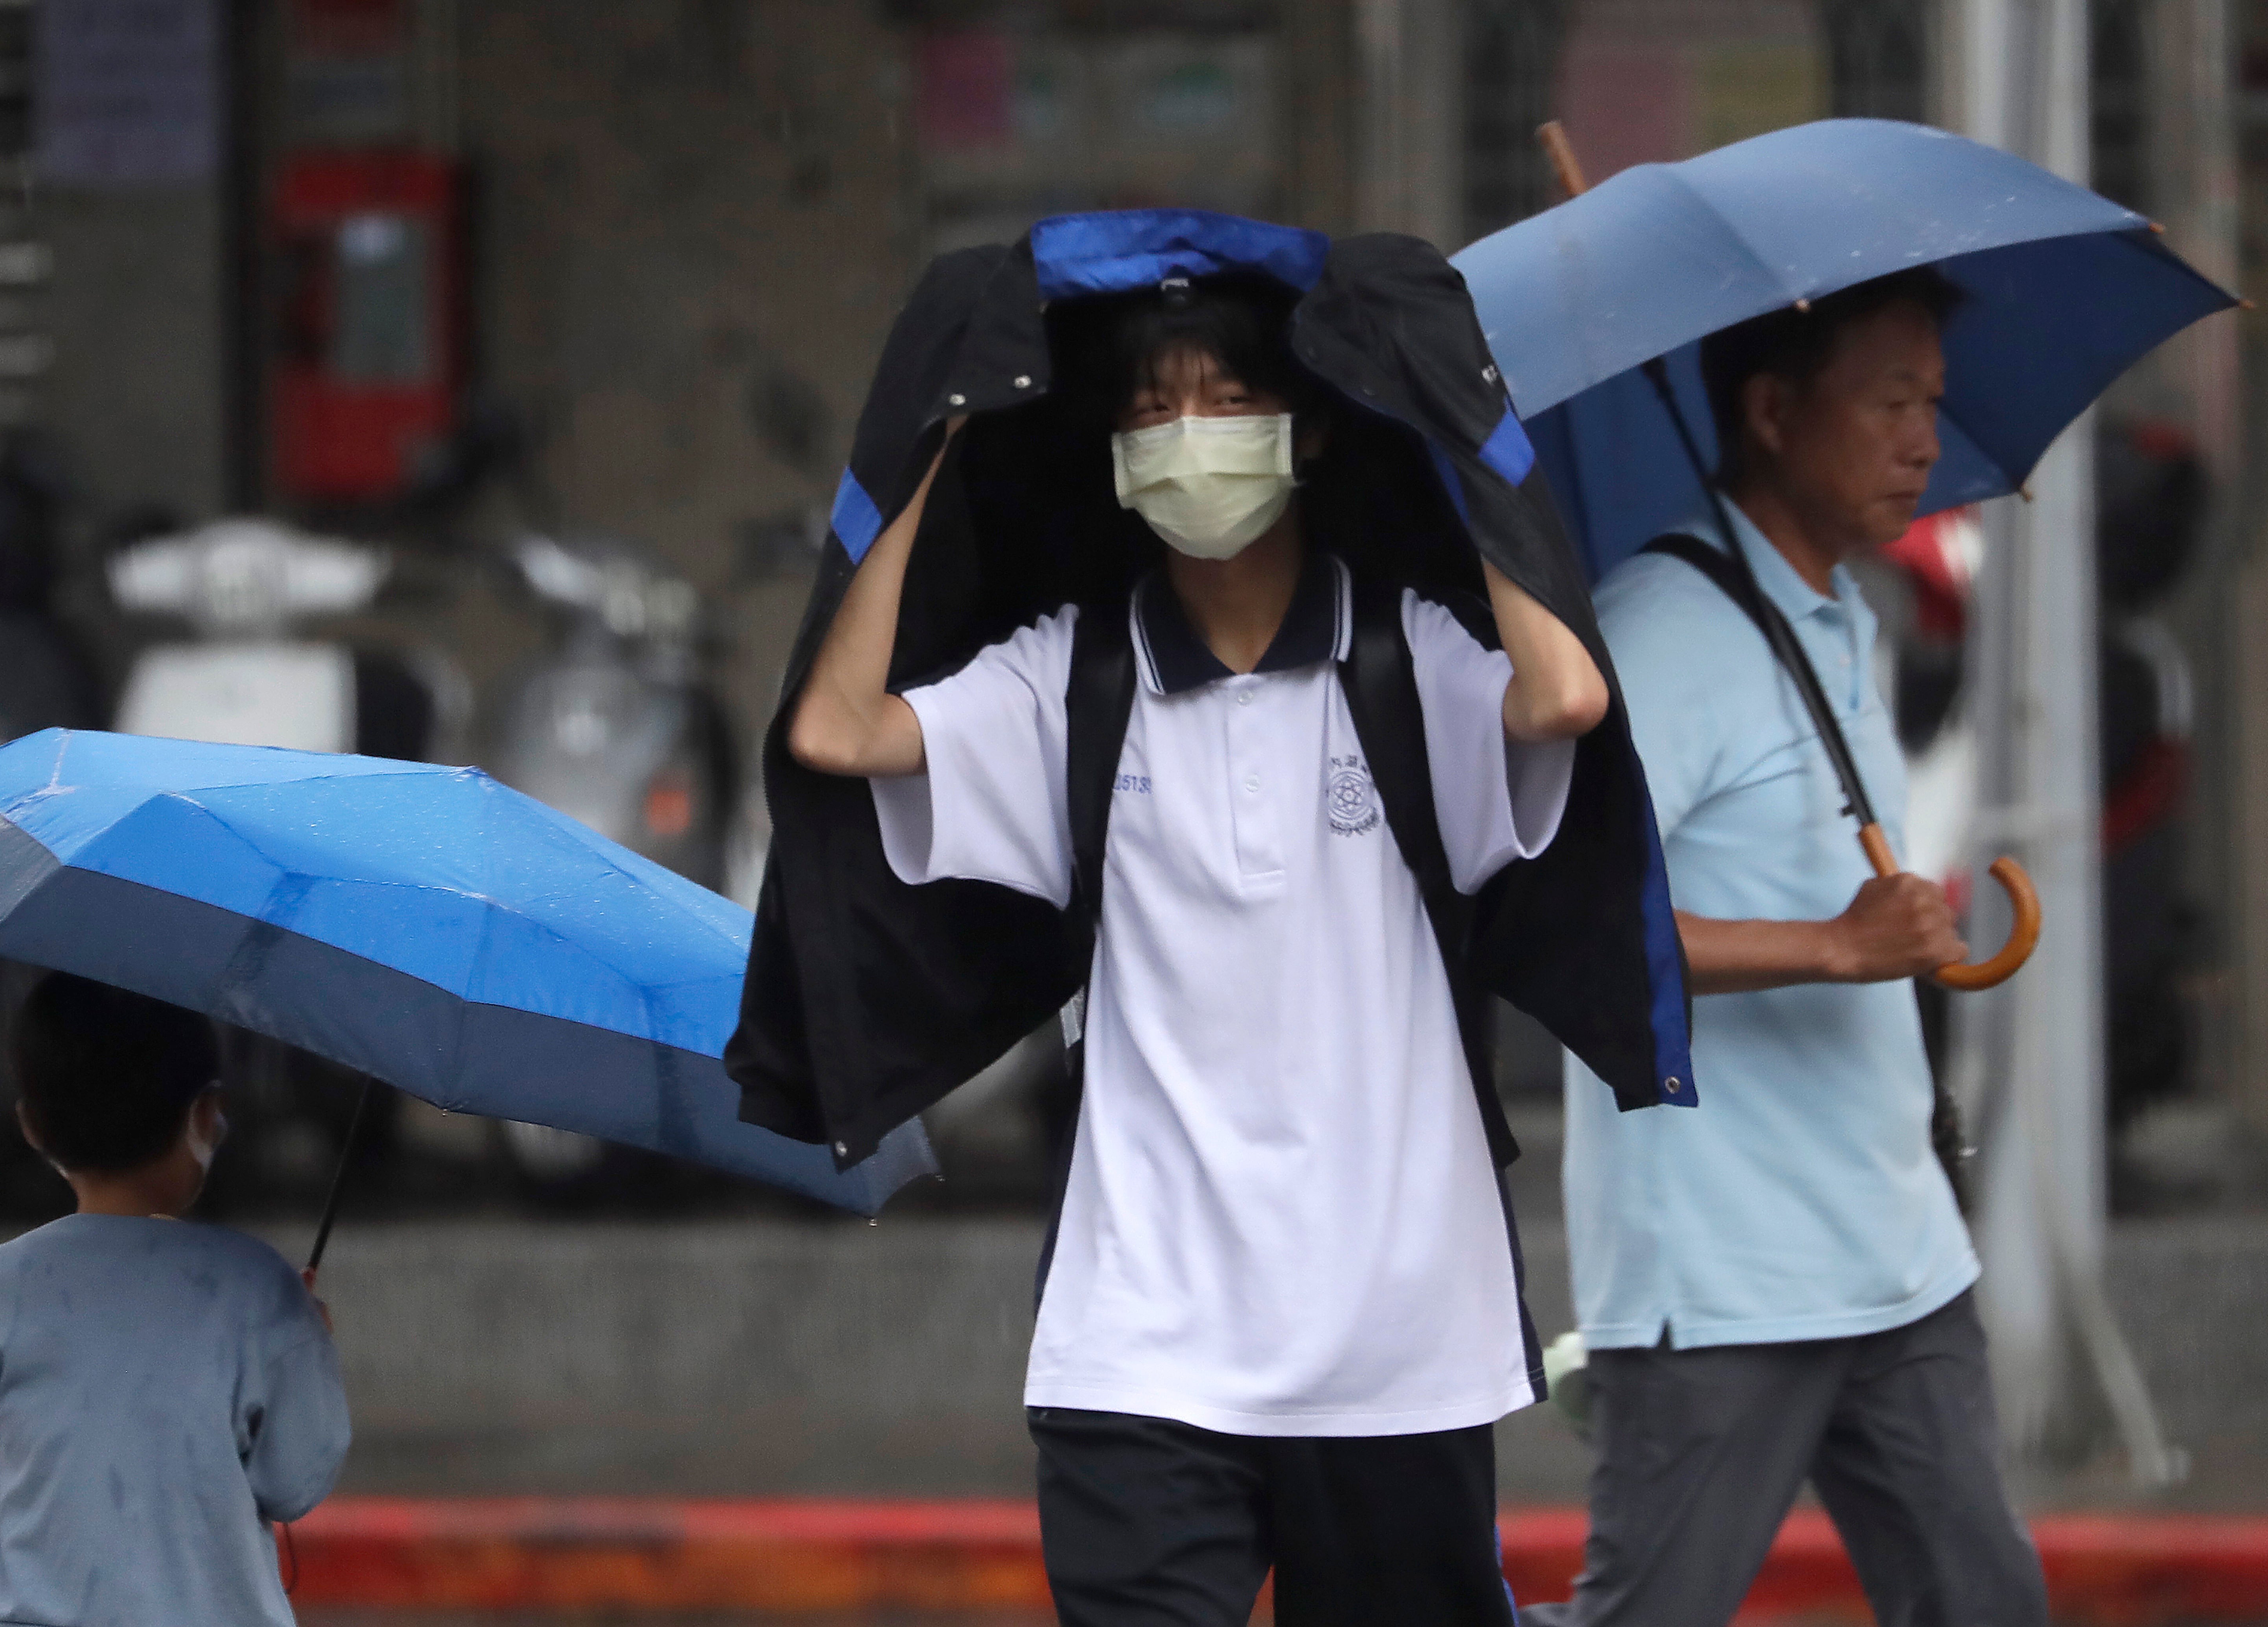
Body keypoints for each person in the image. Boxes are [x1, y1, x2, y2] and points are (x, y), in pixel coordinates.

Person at [788, 276, 1608, 1625]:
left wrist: (1464, 422)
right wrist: (918, 444)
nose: (1192, 437)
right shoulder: (1069, 678)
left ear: (1314, 432)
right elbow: (837, 731)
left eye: (1231, 402)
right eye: (1155, 409)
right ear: (1114, 455)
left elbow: (1567, 694)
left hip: (1396, 1342)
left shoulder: (1412, 658)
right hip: (1144, 1337)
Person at [1531, 270, 2050, 1627]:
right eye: (1889, 402)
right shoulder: (1665, 631)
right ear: (1770, 409)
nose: (1924, 440)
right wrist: (1832, 945)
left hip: (1896, 1253)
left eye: (1931, 403)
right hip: (1727, 1274)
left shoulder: (1838, 616)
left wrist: (1876, 937)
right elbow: (1563, 920)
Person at [0, 972, 350, 1627]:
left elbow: (9, 1448)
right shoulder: (257, 1288)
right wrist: (309, 1347)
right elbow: (294, 1483)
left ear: (31, 1124)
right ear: (204, 1117)